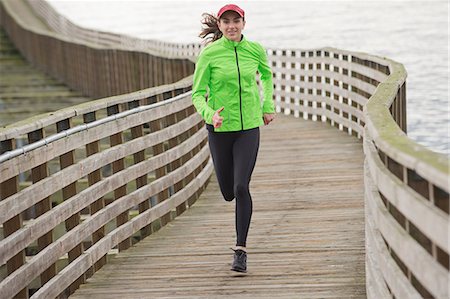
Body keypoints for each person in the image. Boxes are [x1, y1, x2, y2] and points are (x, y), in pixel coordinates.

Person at [192, 3, 275, 273]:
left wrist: (267, 106)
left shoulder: (255, 49)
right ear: (219, 25)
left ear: (243, 23)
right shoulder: (210, 54)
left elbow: (267, 74)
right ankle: (231, 197)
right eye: (226, 21)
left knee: (241, 187)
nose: (231, 26)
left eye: (235, 21)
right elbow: (197, 93)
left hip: (249, 127)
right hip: (219, 130)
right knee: (228, 191)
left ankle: (241, 250)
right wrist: (209, 114)